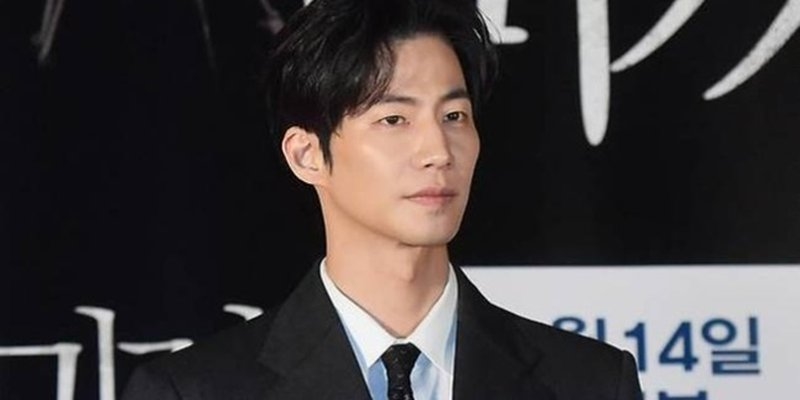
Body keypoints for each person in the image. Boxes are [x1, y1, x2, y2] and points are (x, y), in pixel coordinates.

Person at [121, 0, 643, 398]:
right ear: (308, 155)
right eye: (394, 119)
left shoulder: (592, 382)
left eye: (454, 116)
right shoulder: (194, 390)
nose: (437, 151)